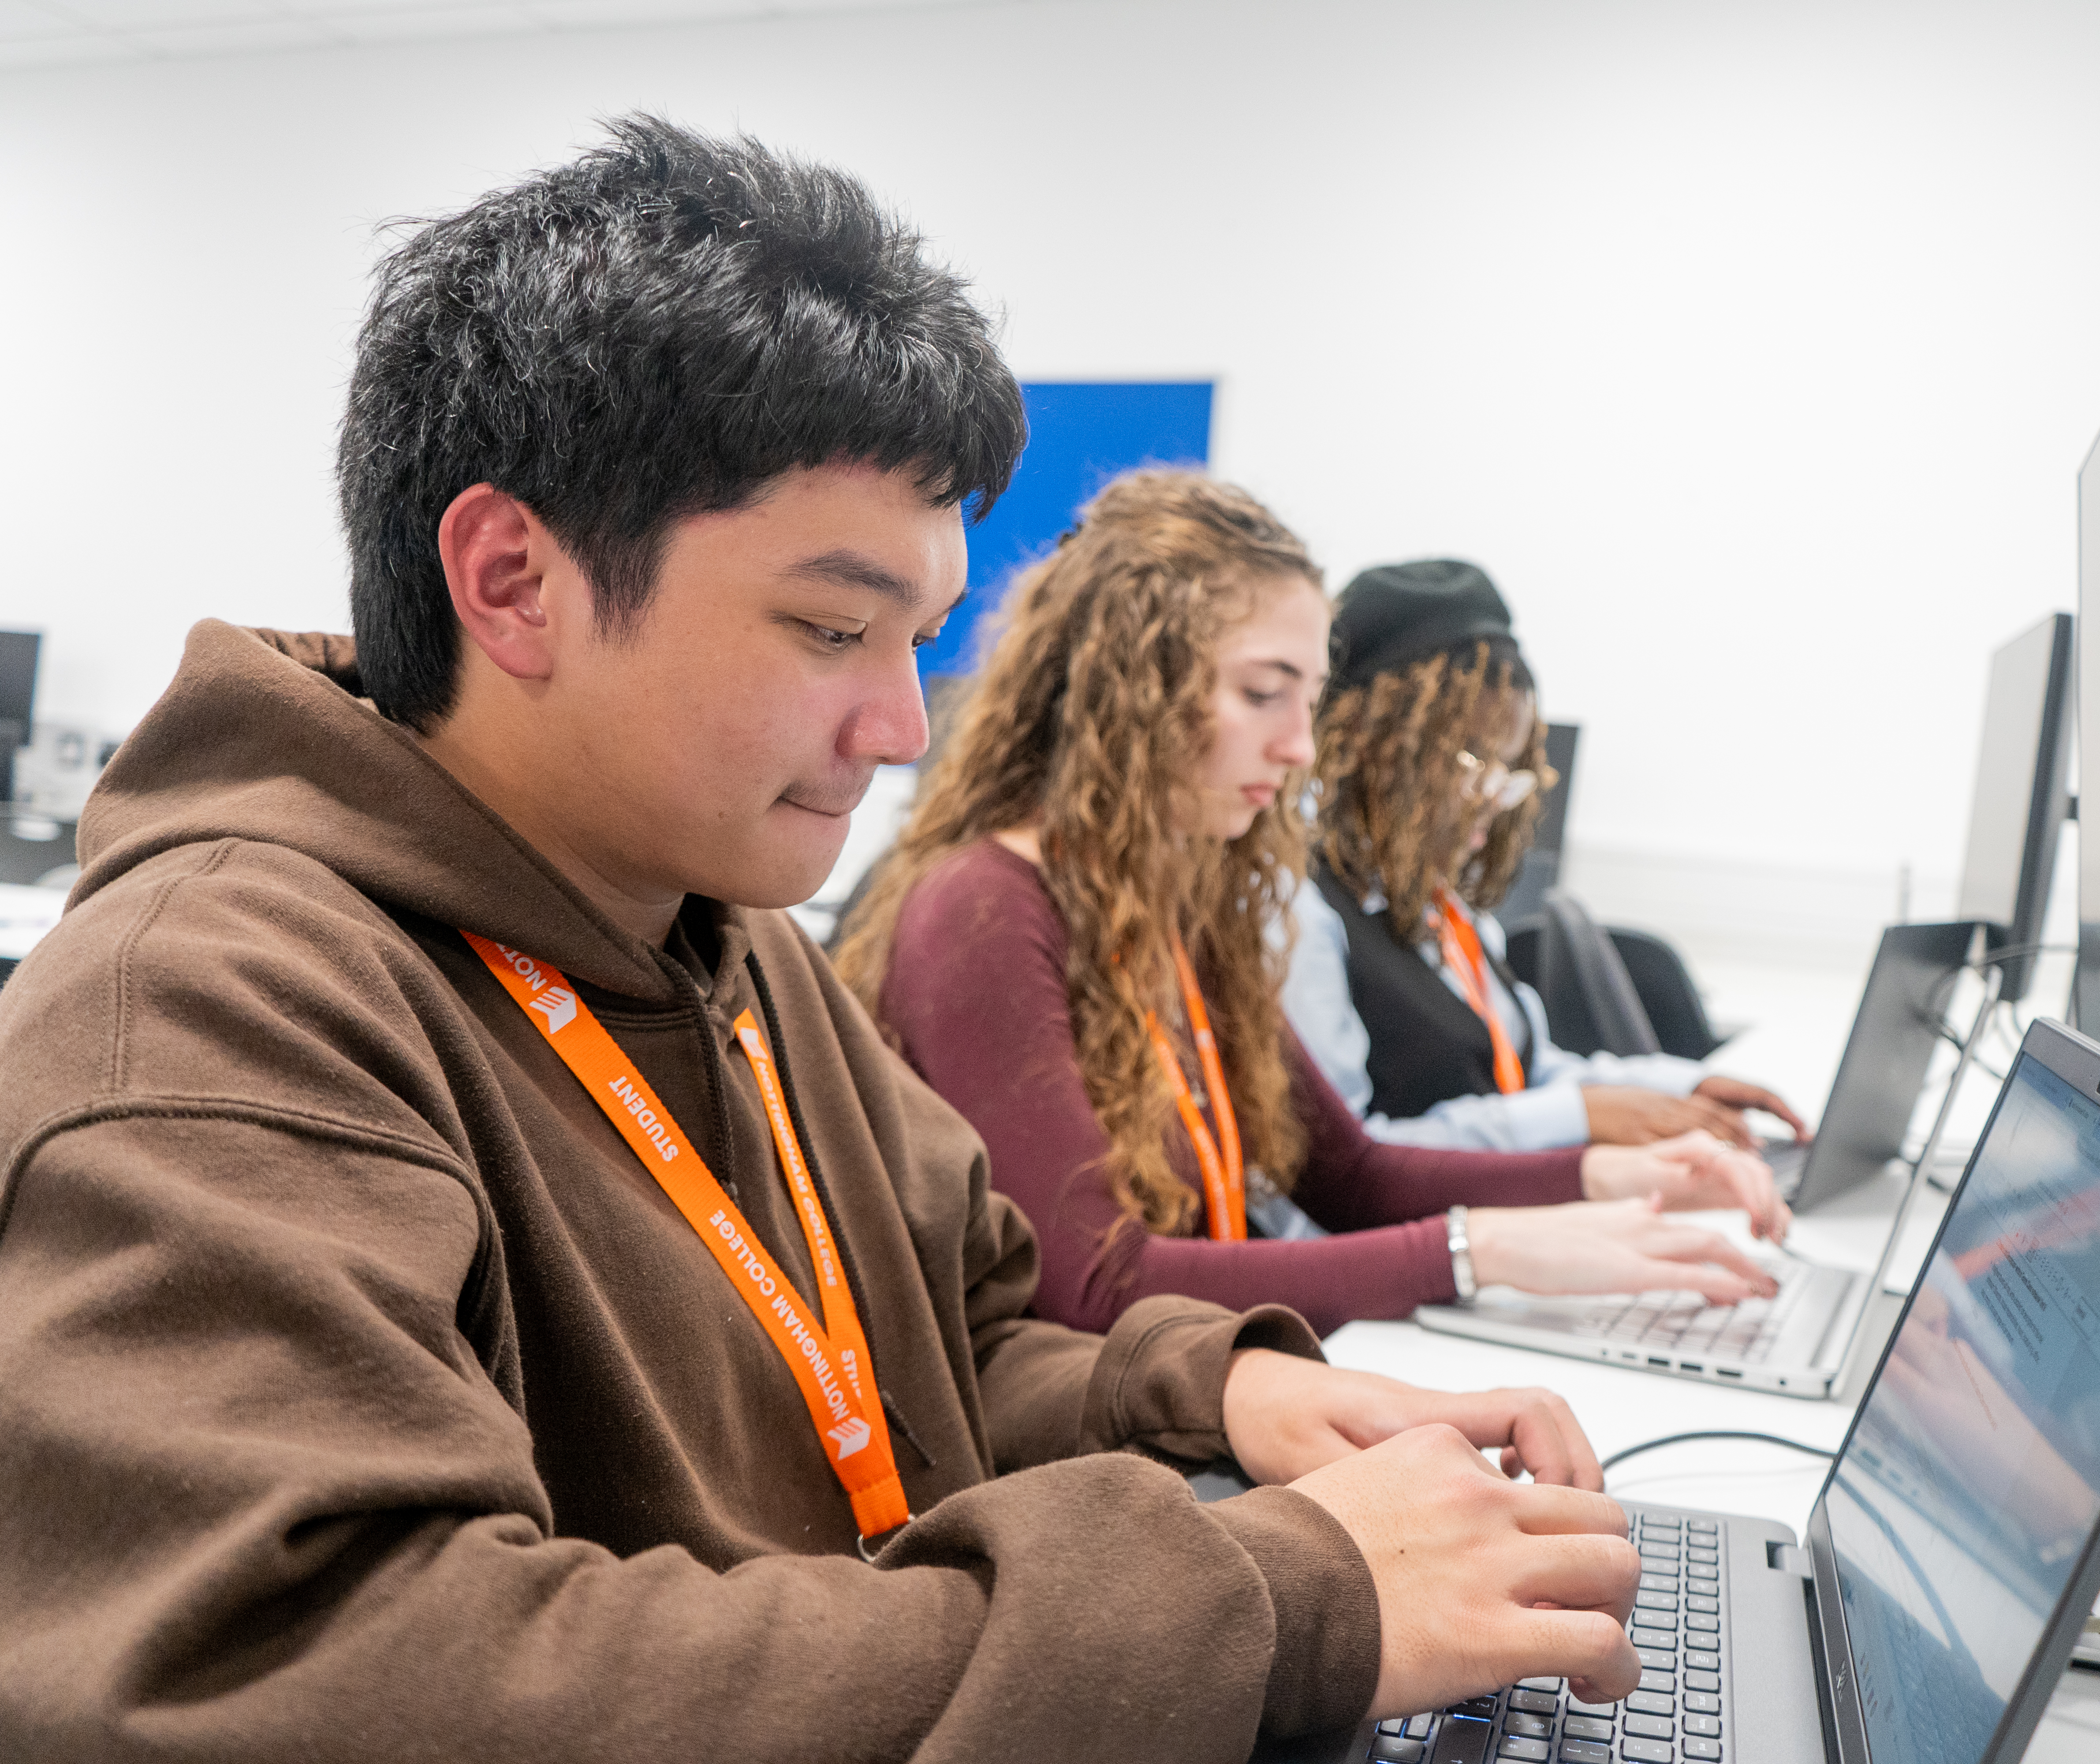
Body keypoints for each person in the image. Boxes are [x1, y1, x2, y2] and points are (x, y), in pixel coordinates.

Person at [0, 121, 1653, 1760]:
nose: (896, 722)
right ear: (513, 580)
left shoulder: (726, 932)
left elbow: (957, 1338)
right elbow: (325, 1674)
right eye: (829, 628)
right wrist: (1277, 1598)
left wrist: (1218, 1394)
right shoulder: (215, 1013)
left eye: (918, 639)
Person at [834, 472, 1787, 1342]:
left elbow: (1353, 1173)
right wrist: (1478, 1251)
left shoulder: (1179, 903)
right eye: (1263, 694)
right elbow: (1096, 1280)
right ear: (1132, 690)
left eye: (1311, 701)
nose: (1300, 747)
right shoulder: (982, 913)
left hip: (1189, 1386)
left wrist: (1610, 1175)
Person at [1289, 557, 1811, 1155]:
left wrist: (1683, 1087)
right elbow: (1352, 1165)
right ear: (1380, 748)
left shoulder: (1436, 902)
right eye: (1471, 766)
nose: (1495, 801)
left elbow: (1527, 1072)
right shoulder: (1304, 913)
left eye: (1510, 772)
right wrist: (1580, 1117)